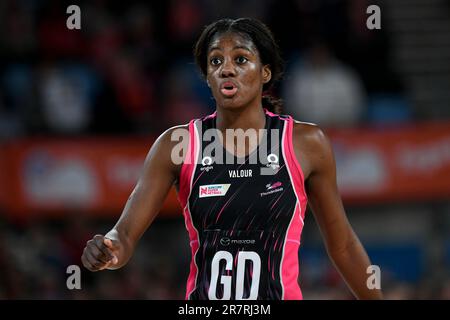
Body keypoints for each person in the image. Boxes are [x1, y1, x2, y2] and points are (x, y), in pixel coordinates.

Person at [81, 18, 383, 300]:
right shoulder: (177, 145)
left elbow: (343, 246)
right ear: (207, 76)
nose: (227, 69)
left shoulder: (306, 143)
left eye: (240, 59)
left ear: (265, 72)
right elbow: (124, 234)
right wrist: (110, 249)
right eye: (216, 61)